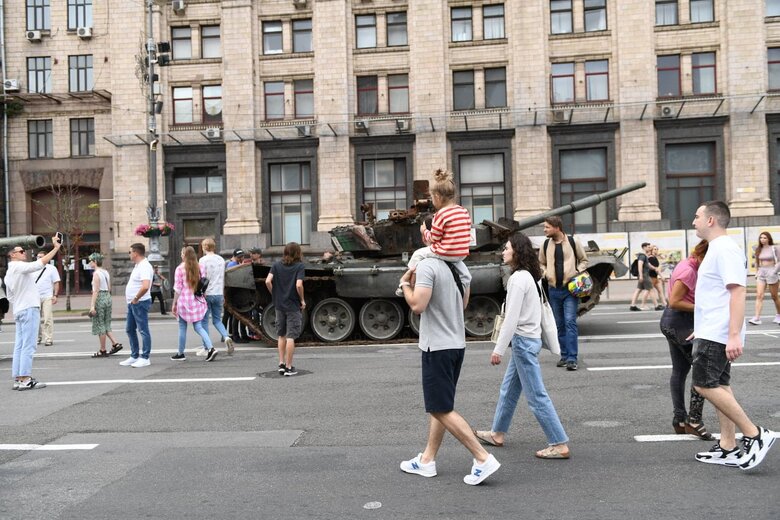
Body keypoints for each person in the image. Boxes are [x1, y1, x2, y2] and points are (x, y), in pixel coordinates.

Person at [397, 231, 500, 486]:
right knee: (442, 405)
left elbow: (417, 305)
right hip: (456, 343)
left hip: (436, 345)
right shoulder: (459, 266)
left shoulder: (427, 265)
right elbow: (462, 304)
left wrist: (405, 285)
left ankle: (482, 458)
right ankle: (427, 460)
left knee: (439, 408)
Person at [691, 201, 776, 470]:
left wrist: (734, 335)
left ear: (711, 220)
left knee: (704, 385)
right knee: (720, 385)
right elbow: (716, 295)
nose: (693, 221)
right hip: (712, 329)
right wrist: (701, 328)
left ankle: (755, 434)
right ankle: (728, 446)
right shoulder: (718, 248)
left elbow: (738, 292)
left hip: (719, 332)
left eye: (697, 216)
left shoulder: (725, 249)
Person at [474, 233, 571, 459]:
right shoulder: (530, 276)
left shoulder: (518, 279)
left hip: (523, 343)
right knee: (508, 389)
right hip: (529, 340)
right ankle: (497, 433)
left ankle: (559, 444)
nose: (503, 252)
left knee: (537, 396)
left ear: (517, 252)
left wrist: (498, 349)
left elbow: (511, 318)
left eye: (507, 248)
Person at [658, 240, 713, 440]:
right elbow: (674, 301)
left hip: (673, 322)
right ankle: (693, 420)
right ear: (702, 255)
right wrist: (703, 307)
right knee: (702, 370)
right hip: (678, 323)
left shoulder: (688, 263)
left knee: (680, 371)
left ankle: (679, 419)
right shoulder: (689, 270)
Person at [396, 169, 472, 296]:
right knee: (460, 269)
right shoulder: (463, 211)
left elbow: (434, 238)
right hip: (461, 254)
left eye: (431, 197)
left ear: (437, 197)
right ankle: (465, 281)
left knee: (417, 255)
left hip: (446, 252)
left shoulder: (440, 214)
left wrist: (424, 231)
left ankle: (408, 284)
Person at [7, 236, 61, 390]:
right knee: (28, 346)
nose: (24, 252)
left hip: (20, 309)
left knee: (20, 345)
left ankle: (19, 378)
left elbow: (11, 297)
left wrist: (21, 301)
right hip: (29, 309)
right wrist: (56, 248)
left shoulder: (9, 272)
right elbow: (40, 263)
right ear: (12, 255)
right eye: (21, 251)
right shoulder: (18, 266)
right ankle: (25, 379)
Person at [538, 216, 588, 370]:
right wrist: (545, 273)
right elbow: (541, 263)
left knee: (570, 322)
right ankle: (564, 356)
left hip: (570, 290)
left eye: (547, 227)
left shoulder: (573, 241)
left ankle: (572, 358)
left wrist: (577, 271)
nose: (544, 230)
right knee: (559, 325)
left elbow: (584, 260)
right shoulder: (545, 244)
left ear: (557, 227)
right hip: (553, 290)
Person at [265, 242, 305, 376]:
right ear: (298, 253)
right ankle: (289, 367)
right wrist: (302, 300)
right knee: (291, 336)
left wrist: (274, 294)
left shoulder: (276, 265)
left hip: (279, 304)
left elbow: (267, 281)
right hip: (293, 305)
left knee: (281, 335)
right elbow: (299, 285)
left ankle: (281, 364)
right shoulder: (299, 266)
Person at [171, 246, 218, 362]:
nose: (181, 255)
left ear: (185, 255)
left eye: (182, 253)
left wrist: (174, 303)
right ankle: (211, 348)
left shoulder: (179, 269)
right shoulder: (200, 267)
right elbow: (203, 284)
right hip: (197, 300)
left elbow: (178, 289)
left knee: (182, 327)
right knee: (198, 327)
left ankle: (180, 353)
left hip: (184, 302)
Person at [118, 243, 154, 368]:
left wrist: (136, 298)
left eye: (130, 252)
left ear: (135, 253)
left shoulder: (144, 266)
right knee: (129, 329)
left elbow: (145, 286)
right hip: (133, 303)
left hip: (139, 302)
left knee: (143, 330)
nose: (129, 254)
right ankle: (134, 356)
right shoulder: (138, 265)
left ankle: (145, 357)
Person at [198, 238, 234, 356]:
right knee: (217, 320)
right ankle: (226, 336)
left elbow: (202, 278)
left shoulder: (202, 260)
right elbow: (223, 278)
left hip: (207, 293)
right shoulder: (221, 260)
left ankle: (206, 348)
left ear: (204, 247)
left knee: (204, 321)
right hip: (219, 293)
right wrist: (223, 294)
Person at [87, 253, 123, 358]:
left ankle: (102, 350)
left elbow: (96, 291)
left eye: (90, 261)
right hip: (107, 297)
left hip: (100, 298)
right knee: (106, 323)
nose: (89, 263)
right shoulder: (105, 272)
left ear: (95, 262)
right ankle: (115, 343)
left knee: (100, 324)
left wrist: (92, 306)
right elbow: (109, 288)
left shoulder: (96, 274)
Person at [748, 231, 780, 325]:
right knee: (759, 295)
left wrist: (774, 271)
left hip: (772, 272)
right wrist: (757, 272)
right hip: (761, 273)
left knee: (774, 296)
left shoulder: (775, 248)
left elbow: (779, 261)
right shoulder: (758, 249)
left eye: (765, 238)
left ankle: (779, 315)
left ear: (769, 239)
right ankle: (757, 318)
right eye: (761, 238)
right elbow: (757, 262)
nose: (762, 239)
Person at [35, 250, 61, 346]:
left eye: (41, 256)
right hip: (35, 297)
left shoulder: (52, 268)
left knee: (47, 318)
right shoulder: (33, 267)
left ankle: (48, 338)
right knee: (35, 319)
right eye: (38, 257)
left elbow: (56, 282)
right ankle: (37, 337)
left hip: (47, 296)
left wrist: (55, 295)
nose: (39, 258)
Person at [641, 245, 667, 311]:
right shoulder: (651, 258)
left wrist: (660, 255)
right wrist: (662, 276)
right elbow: (656, 269)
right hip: (651, 277)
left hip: (655, 277)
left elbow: (663, 257)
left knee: (660, 291)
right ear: (651, 250)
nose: (656, 250)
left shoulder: (655, 258)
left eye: (657, 249)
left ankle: (665, 304)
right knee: (648, 291)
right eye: (654, 249)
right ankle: (643, 305)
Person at [629, 242, 653, 311]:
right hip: (644, 275)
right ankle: (643, 305)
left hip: (643, 275)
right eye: (648, 247)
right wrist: (641, 276)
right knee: (648, 289)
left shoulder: (644, 255)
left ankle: (632, 305)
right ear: (644, 247)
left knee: (638, 290)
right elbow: (640, 265)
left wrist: (654, 268)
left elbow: (648, 265)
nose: (650, 248)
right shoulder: (642, 256)